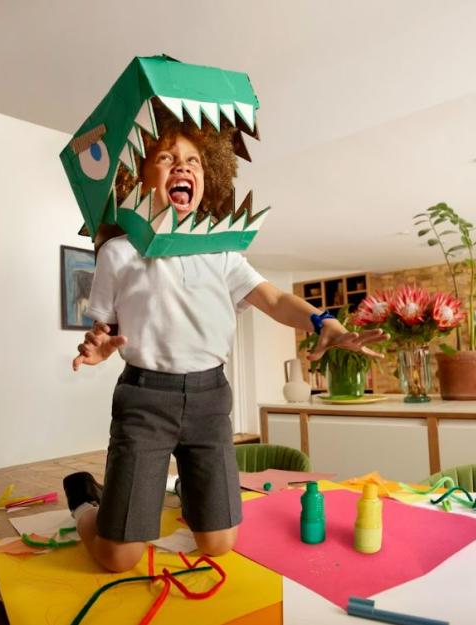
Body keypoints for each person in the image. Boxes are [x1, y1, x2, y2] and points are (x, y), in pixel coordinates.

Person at [62, 107, 387, 573]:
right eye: (167, 158)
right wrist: (97, 347)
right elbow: (103, 329)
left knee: (218, 544)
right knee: (118, 557)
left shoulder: (222, 250)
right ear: (138, 176)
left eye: (193, 160)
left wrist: (322, 321)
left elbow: (274, 299)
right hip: (144, 401)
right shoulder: (118, 252)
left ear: (206, 175)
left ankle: (173, 499)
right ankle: (86, 501)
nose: (183, 167)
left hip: (210, 400)